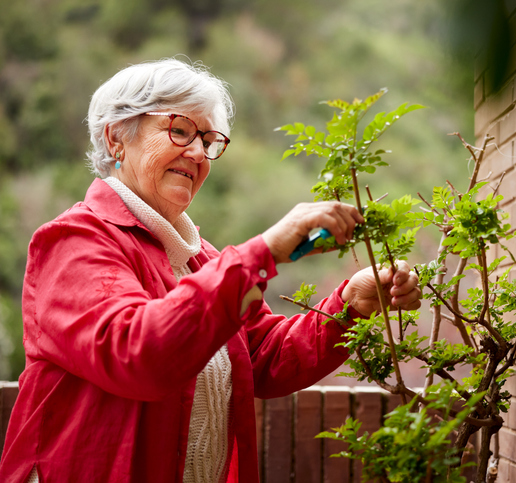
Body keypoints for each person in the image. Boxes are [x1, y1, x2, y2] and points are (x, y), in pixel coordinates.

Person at [0, 59, 421, 483]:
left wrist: (349, 306)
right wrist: (264, 250)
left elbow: (261, 355)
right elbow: (139, 352)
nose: (199, 153)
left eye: (210, 139)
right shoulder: (75, 240)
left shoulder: (199, 258)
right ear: (116, 138)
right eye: (180, 130)